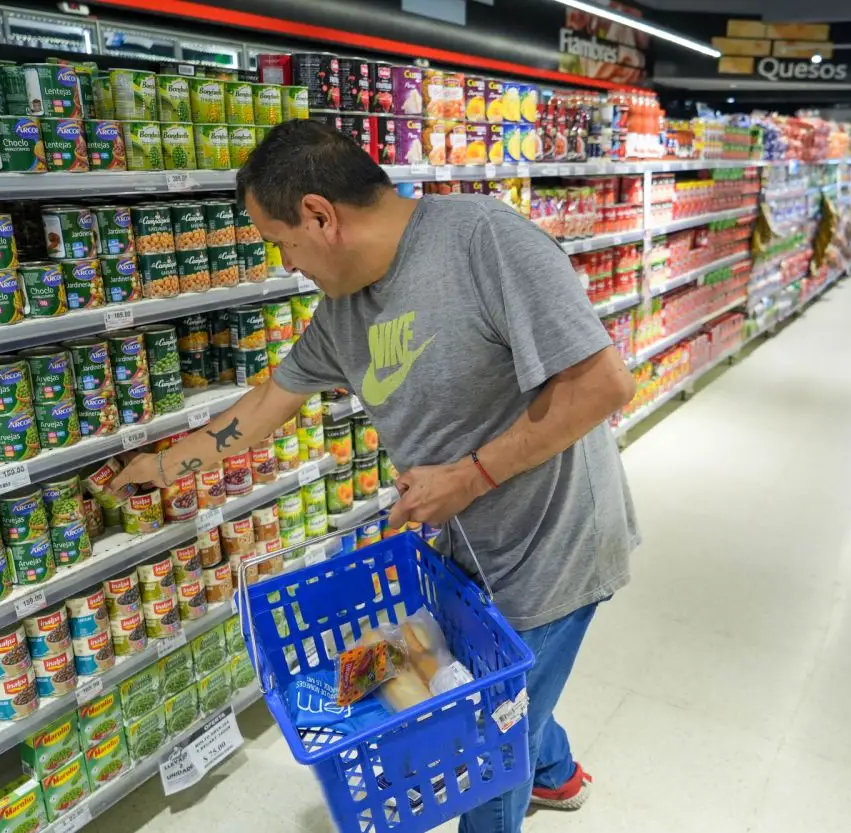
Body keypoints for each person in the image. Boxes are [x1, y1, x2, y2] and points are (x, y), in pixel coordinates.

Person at [111, 120, 640, 832]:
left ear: (320, 215)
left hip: (555, 541)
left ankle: (525, 772)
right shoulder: (342, 313)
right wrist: (165, 465)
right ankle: (555, 769)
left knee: (482, 746)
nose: (286, 262)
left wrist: (470, 476)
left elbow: (604, 384)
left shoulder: (485, 240)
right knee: (505, 685)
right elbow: (271, 401)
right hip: (469, 543)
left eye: (280, 241)